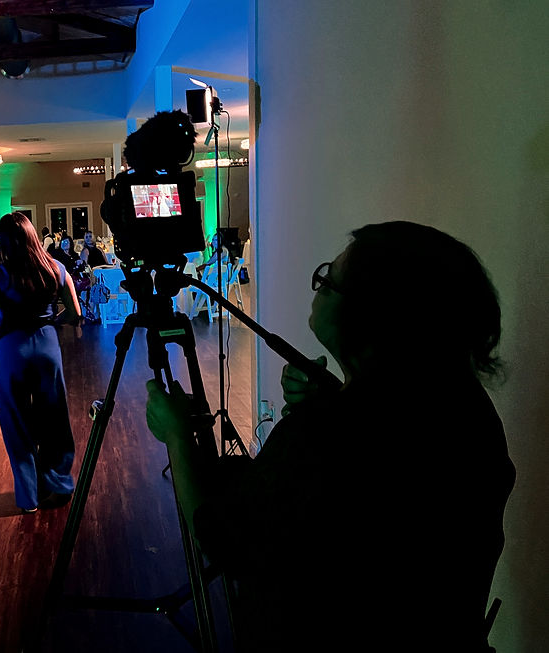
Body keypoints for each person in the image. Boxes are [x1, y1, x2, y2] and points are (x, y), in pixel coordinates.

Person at [146, 221, 515, 652]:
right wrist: (341, 395)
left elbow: (221, 539)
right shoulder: (469, 409)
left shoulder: (323, 435)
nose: (317, 287)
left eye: (328, 281)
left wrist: (176, 435)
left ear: (371, 319)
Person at [0, 213, 82, 513]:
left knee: (16, 423)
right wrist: (50, 323)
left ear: (5, 241)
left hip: (10, 350)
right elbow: (75, 313)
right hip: (47, 347)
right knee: (54, 418)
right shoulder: (56, 268)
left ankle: (29, 497)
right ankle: (58, 483)